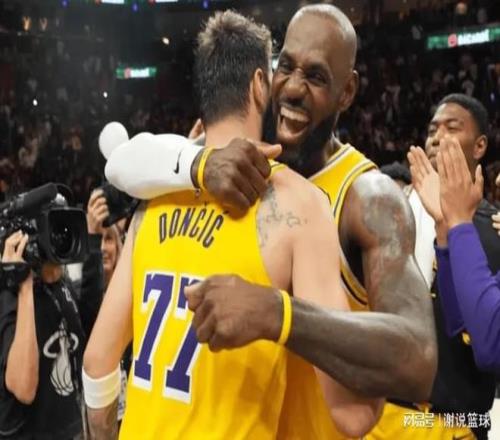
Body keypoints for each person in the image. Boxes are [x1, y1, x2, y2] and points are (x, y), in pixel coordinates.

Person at [104, 2, 437, 406]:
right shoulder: (239, 156)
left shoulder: (369, 197)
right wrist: (197, 165)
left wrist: (279, 314)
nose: (293, 88)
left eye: (315, 76)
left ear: (347, 92)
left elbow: (418, 359)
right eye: (286, 67)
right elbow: (121, 162)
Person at [407, 94, 499, 439]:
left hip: (461, 419)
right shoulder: (395, 205)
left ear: (480, 146)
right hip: (398, 413)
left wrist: (457, 222)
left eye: (451, 128)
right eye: (433, 129)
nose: (437, 137)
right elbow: (459, 321)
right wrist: (447, 231)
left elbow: (489, 343)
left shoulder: (492, 227)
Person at [0, 200, 100, 439]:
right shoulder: (9, 296)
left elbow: (90, 329)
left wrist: (94, 243)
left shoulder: (59, 285)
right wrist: (23, 285)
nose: (61, 237)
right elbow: (23, 388)